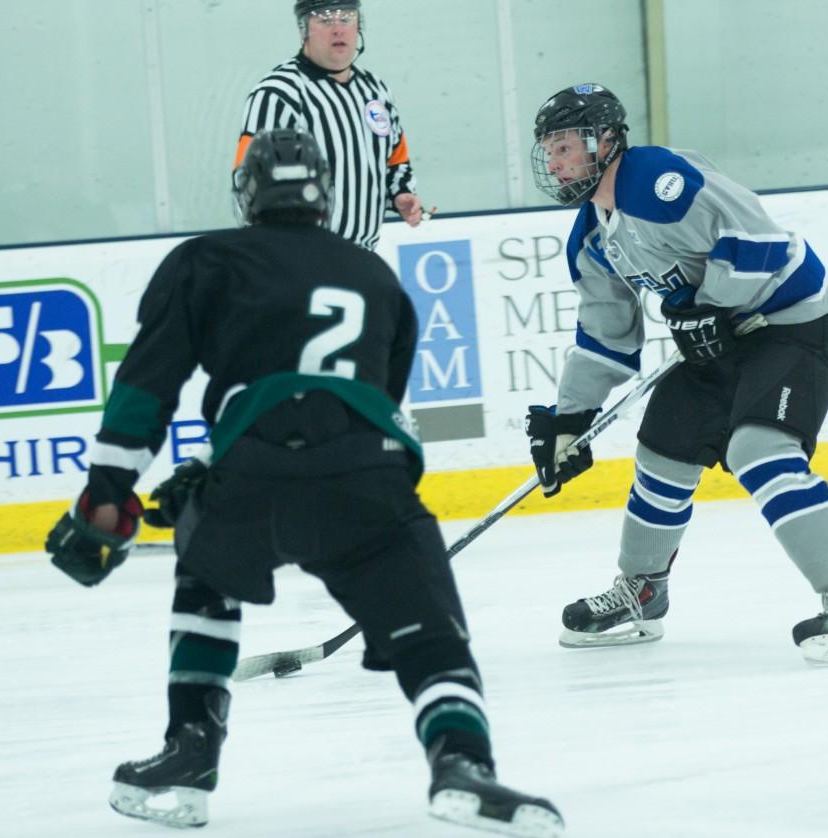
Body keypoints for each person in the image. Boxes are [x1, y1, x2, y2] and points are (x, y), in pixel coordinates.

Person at [45, 129, 563, 837]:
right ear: (324, 195)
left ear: (247, 192)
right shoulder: (374, 275)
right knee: (429, 633)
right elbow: (370, 399)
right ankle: (464, 766)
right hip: (368, 481)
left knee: (205, 574)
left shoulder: (206, 260)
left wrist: (111, 487)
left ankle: (191, 751)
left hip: (251, 479)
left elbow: (146, 386)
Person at [524, 83, 828, 666]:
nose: (554, 160)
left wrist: (712, 301)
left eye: (564, 145)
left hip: (793, 324)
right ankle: (642, 592)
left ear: (605, 140)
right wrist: (569, 418)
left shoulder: (656, 179)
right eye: (548, 149)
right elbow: (605, 334)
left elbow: (758, 237)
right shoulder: (591, 235)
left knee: (760, 449)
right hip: (719, 343)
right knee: (661, 452)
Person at [235, 0, 423, 251]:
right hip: (298, 261)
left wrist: (400, 194)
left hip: (362, 257)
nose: (338, 28)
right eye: (325, 19)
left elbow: (396, 159)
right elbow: (246, 182)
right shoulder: (278, 95)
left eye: (346, 18)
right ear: (303, 29)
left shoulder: (376, 90)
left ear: (359, 27)